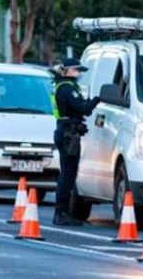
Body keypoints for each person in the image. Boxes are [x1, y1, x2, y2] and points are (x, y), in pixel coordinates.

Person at [51, 58, 100, 226]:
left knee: (67, 173)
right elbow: (84, 109)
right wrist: (97, 100)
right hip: (68, 134)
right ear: (66, 70)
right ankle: (61, 213)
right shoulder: (67, 88)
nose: (79, 73)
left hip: (65, 131)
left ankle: (62, 212)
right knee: (68, 174)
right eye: (76, 70)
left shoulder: (62, 85)